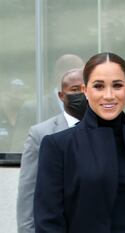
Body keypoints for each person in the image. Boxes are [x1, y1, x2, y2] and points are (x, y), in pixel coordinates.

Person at [34, 52, 125, 233]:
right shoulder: (58, 146)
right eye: (99, 86)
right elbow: (48, 223)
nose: (109, 95)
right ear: (85, 90)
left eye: (117, 85)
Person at [16, 69, 87, 233]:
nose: (81, 95)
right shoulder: (40, 133)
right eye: (75, 90)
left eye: (84, 89)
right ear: (62, 96)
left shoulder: (105, 129)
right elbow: (28, 191)